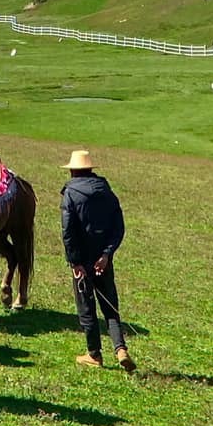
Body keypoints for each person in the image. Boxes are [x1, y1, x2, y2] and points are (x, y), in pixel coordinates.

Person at [60, 148, 135, 372]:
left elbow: (68, 232)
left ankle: (94, 354)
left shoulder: (70, 194)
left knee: (87, 308)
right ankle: (120, 349)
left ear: (73, 171)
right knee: (110, 306)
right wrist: (106, 255)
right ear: (90, 169)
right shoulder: (107, 192)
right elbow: (118, 227)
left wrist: (75, 262)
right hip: (103, 261)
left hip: (82, 262)